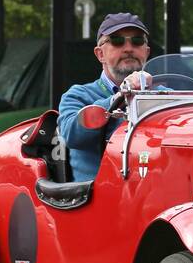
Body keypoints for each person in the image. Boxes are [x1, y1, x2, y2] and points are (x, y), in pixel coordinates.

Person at [58, 12, 152, 181]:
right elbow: (70, 135)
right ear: (100, 54)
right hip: (99, 199)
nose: (129, 48)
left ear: (146, 51)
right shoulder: (78, 95)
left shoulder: (165, 94)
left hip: (155, 194)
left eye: (137, 41)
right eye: (117, 41)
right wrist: (120, 95)